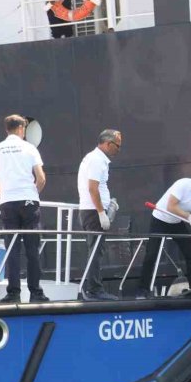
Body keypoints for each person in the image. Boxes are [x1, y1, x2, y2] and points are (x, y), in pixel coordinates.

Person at [0, 115, 49, 304]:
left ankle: (13, 293)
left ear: (7, 129)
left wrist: (3, 194)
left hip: (8, 203)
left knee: (12, 248)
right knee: (32, 249)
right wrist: (33, 194)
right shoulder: (30, 148)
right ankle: (35, 292)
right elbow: (41, 177)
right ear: (22, 129)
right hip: (29, 201)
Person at [77, 129, 122, 301]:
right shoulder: (97, 160)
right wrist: (102, 213)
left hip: (92, 210)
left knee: (96, 249)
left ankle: (94, 287)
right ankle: (94, 289)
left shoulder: (95, 158)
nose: (119, 150)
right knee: (96, 250)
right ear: (108, 144)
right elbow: (92, 188)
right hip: (94, 211)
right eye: (117, 146)